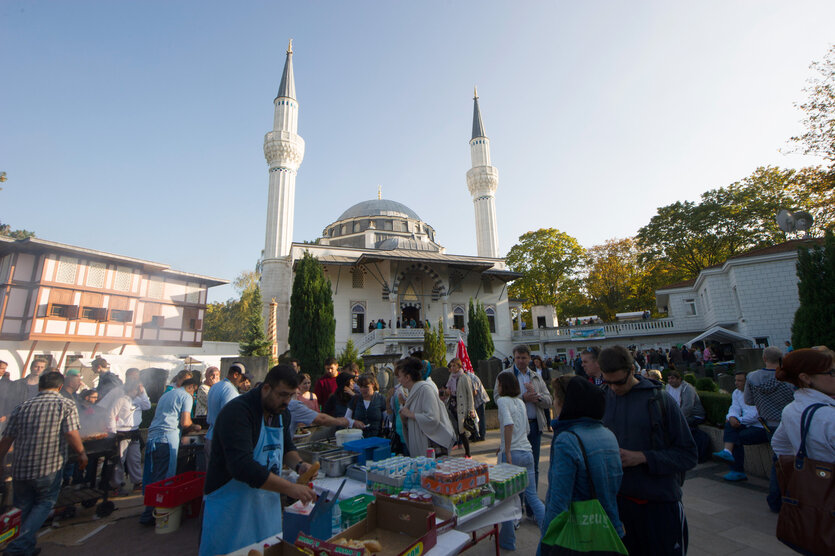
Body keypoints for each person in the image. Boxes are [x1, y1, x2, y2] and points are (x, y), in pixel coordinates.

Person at [199, 365, 316, 556]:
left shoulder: (281, 413)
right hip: (230, 511)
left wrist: (299, 465)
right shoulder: (238, 412)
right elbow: (241, 466)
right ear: (266, 388)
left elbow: (287, 448)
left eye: (290, 396)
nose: (286, 401)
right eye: (282, 394)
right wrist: (290, 488)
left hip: (265, 509)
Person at [598, 345, 697, 556]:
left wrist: (643, 457)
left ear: (632, 370)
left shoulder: (660, 400)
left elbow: (688, 454)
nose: (614, 388)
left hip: (658, 505)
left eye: (619, 382)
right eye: (608, 382)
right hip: (618, 505)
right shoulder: (602, 399)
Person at [0, 371, 87, 556]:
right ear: (60, 387)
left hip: (21, 469)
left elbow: (6, 439)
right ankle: (17, 548)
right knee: (43, 505)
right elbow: (71, 433)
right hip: (49, 468)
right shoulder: (65, 404)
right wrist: (82, 453)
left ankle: (26, 548)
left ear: (39, 386)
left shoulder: (22, 406)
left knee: (22, 507)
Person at [543, 376, 624, 551]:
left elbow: (558, 501)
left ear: (566, 403)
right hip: (609, 528)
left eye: (555, 398)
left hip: (579, 536)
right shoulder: (608, 434)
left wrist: (546, 544)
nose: (553, 403)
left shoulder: (567, 440)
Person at [139, 376, 201, 525]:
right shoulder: (186, 396)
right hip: (166, 439)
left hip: (153, 438)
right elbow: (185, 422)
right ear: (191, 387)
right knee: (164, 479)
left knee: (154, 477)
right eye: (194, 392)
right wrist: (195, 427)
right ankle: (156, 515)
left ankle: (151, 512)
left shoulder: (167, 395)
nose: (193, 396)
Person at [495, 372, 544, 551]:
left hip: (511, 454)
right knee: (532, 496)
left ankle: (508, 540)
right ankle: (549, 533)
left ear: (503, 386)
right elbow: (526, 429)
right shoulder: (521, 403)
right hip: (526, 452)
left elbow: (508, 424)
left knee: (506, 500)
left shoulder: (502, 401)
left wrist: (506, 449)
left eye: (498, 384)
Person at [495, 345, 552, 499]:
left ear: (529, 358)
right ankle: (517, 507)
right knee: (514, 470)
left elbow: (549, 400)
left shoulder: (536, 376)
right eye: (517, 357)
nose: (520, 361)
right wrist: (522, 398)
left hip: (534, 424)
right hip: (513, 428)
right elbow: (497, 398)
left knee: (533, 465)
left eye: (523, 357)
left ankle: (531, 507)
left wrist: (537, 397)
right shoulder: (505, 375)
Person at [744, 345, 796, 512]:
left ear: (764, 359)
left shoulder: (752, 377)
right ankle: (783, 498)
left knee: (778, 461)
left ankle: (776, 498)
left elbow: (749, 401)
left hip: (768, 424)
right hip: (789, 422)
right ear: (781, 359)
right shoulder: (787, 378)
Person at [771, 347, 835, 462]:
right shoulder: (829, 416)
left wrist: (798, 471)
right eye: (832, 372)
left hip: (812, 479)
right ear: (806, 378)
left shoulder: (790, 409)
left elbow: (779, 444)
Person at [712, 371, 767, 481]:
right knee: (729, 425)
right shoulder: (736, 393)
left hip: (760, 427)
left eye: (740, 380)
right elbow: (734, 408)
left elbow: (756, 414)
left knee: (737, 438)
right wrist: (732, 417)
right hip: (746, 424)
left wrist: (739, 420)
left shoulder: (756, 393)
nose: (736, 383)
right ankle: (727, 452)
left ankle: (737, 470)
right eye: (735, 380)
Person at [397, 357, 455, 457]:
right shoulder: (413, 391)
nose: (398, 380)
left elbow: (432, 418)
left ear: (407, 377)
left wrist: (410, 414)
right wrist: (405, 419)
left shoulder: (425, 390)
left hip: (432, 445)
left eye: (399, 376)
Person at [206, 363, 246, 461]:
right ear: (236, 375)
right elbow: (229, 419)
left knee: (211, 474)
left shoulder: (215, 386)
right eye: (243, 377)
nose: (244, 381)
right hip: (222, 441)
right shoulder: (229, 390)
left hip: (210, 437)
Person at [442, 358, 476, 457]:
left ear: (459, 366)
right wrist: (446, 393)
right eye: (451, 366)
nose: (452, 368)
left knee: (463, 430)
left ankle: (468, 453)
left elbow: (470, 395)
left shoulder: (464, 378)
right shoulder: (451, 377)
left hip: (461, 406)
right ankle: (457, 444)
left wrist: (471, 410)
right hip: (452, 404)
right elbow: (448, 390)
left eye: (454, 366)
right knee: (453, 427)